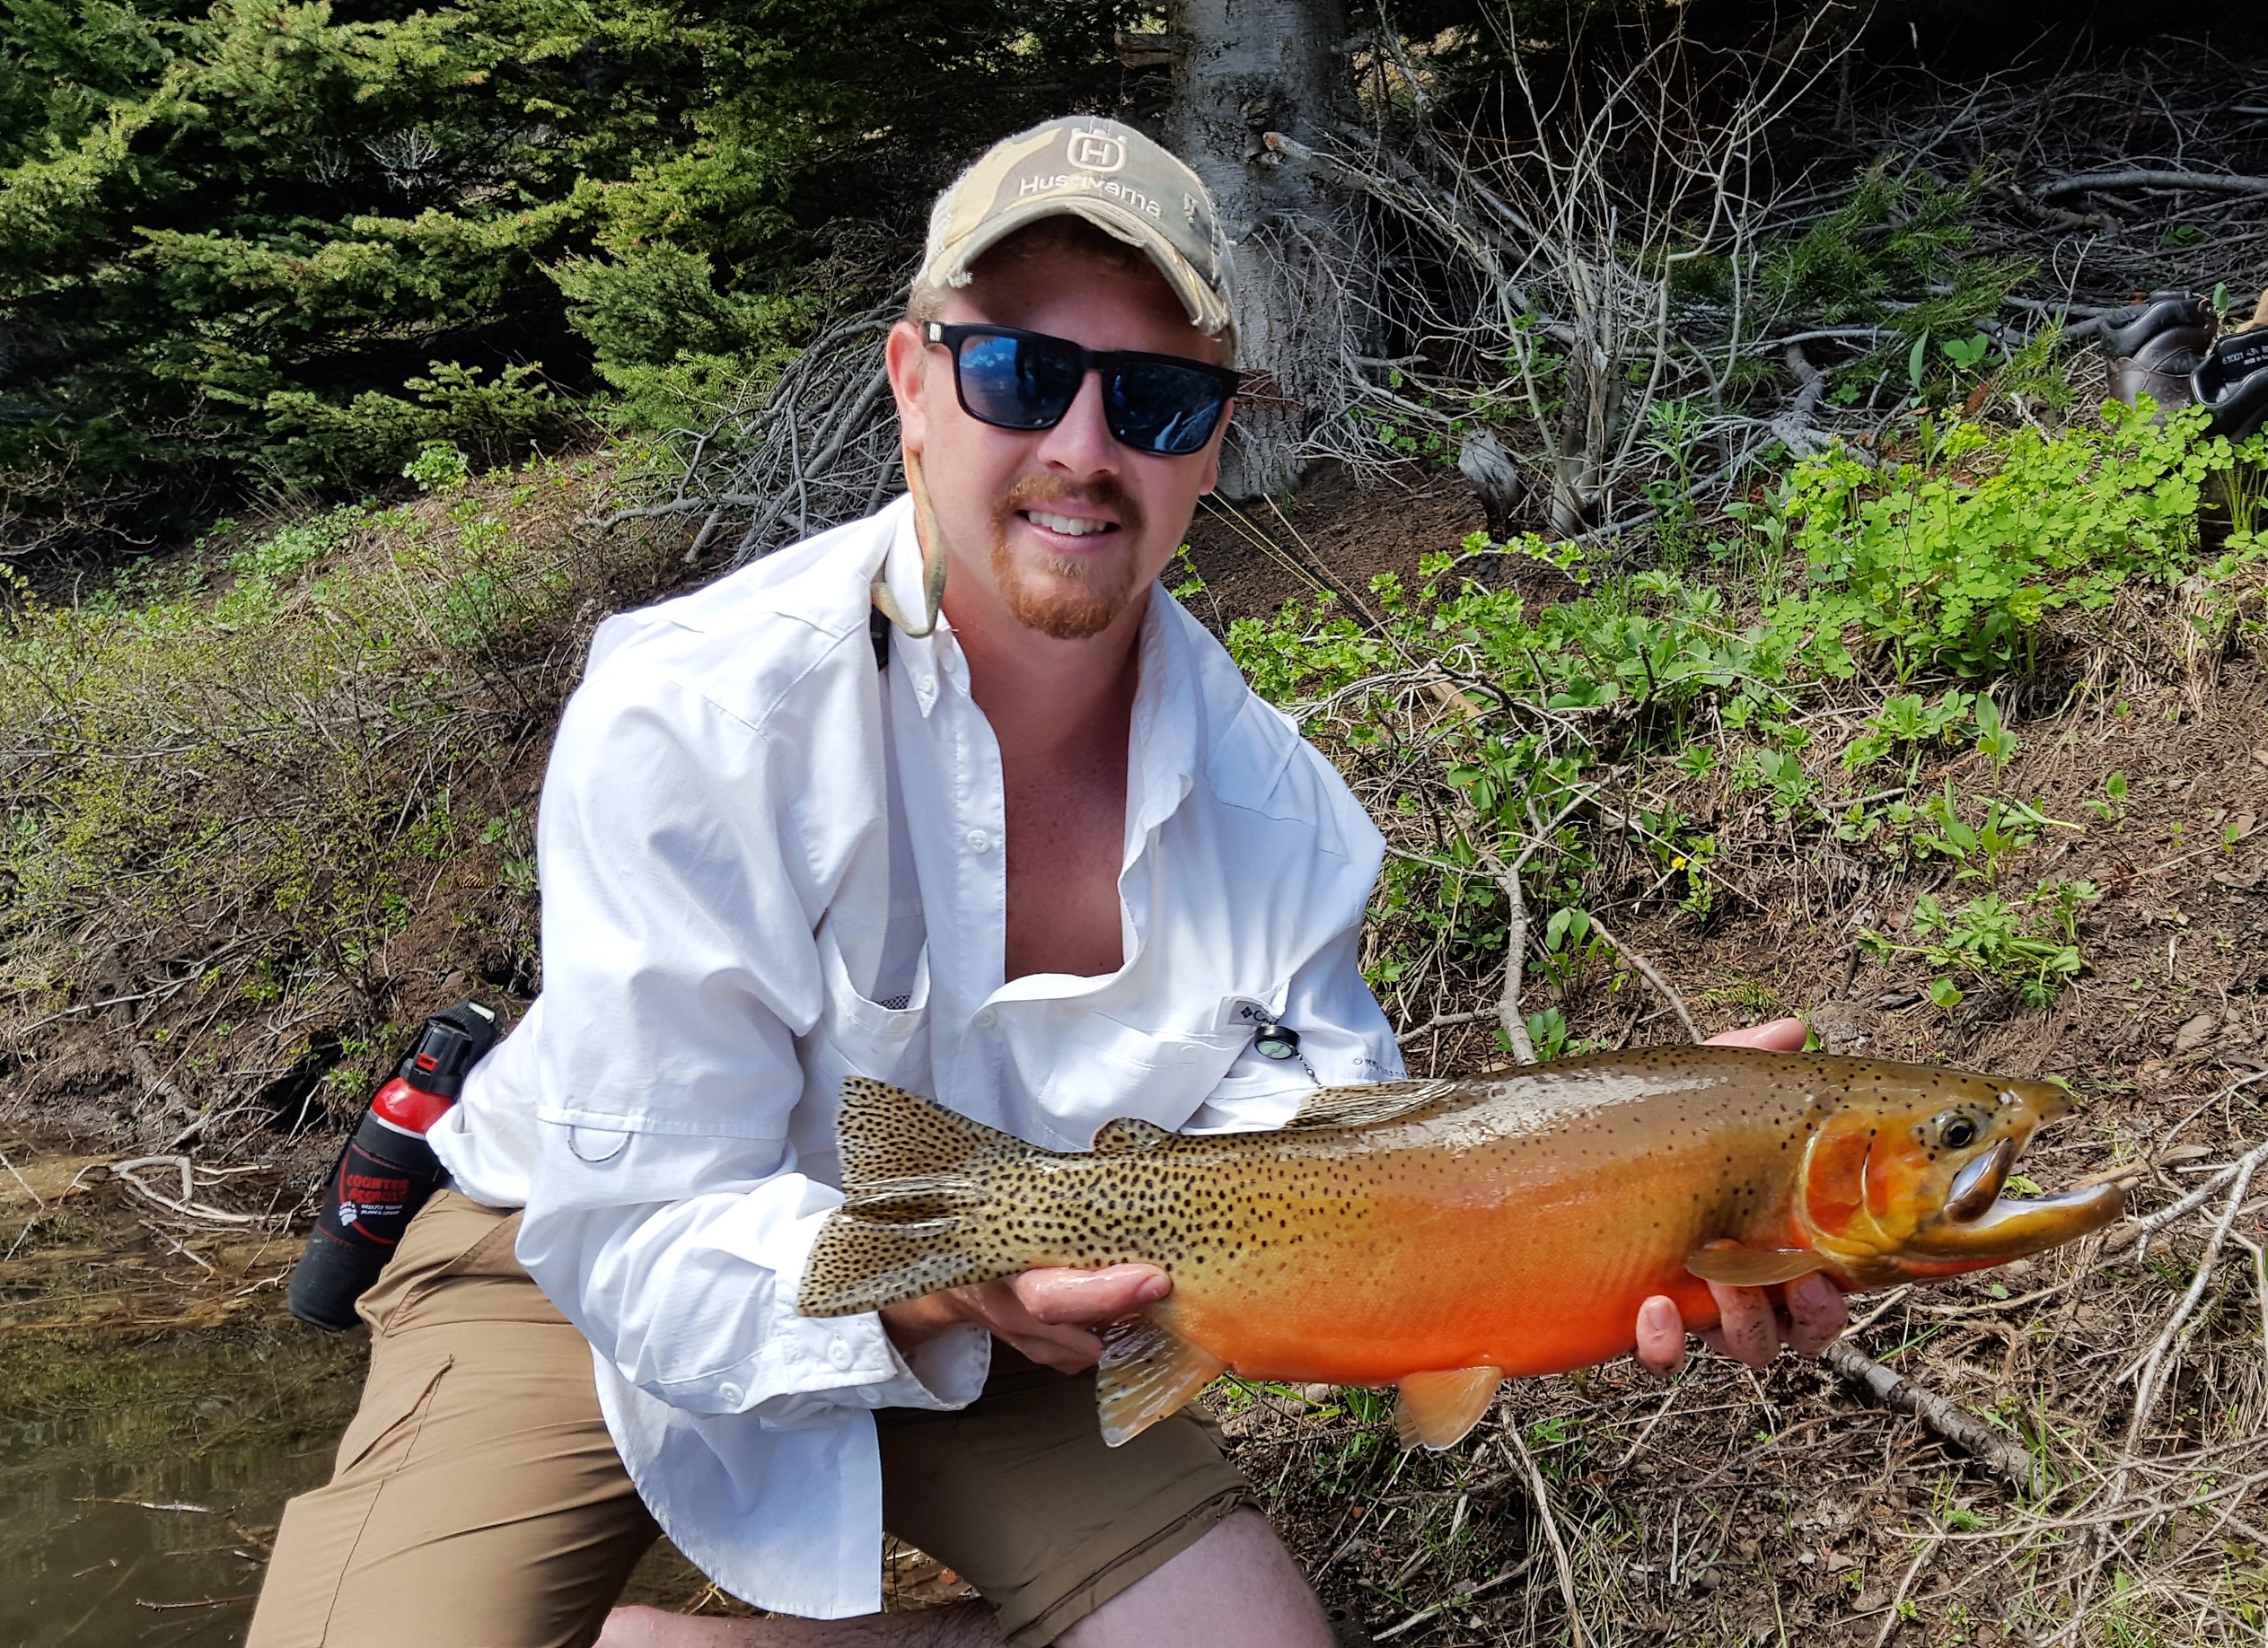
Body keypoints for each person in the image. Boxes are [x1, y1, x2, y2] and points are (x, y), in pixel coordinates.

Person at [247, 116, 1848, 1648]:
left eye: (1152, 398)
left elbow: (1322, 1170)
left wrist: (1639, 1187)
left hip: (1058, 1276)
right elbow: (638, 1240)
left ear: (1213, 444)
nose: (1082, 448)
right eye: (1018, 370)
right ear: (913, 386)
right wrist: (944, 1278)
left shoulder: (1285, 817)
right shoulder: (694, 711)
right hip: (586, 1269)